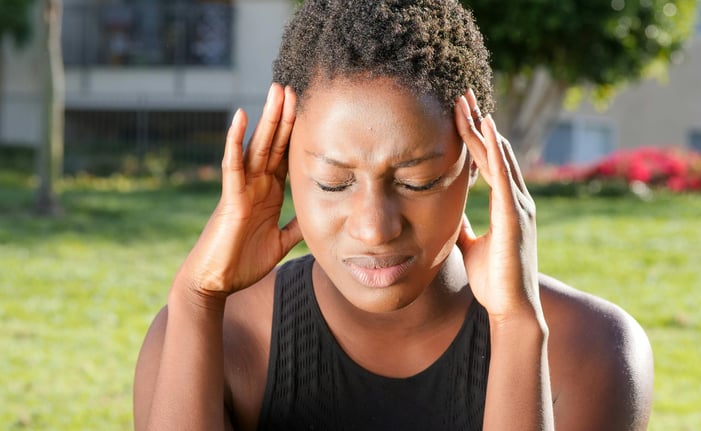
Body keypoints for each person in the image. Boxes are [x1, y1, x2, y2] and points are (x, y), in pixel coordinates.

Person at [133, 0, 654, 430]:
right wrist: (196, 299)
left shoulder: (591, 350)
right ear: (282, 166)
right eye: (334, 183)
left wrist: (516, 327)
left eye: (416, 181)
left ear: (477, 162)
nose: (376, 228)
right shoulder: (210, 337)